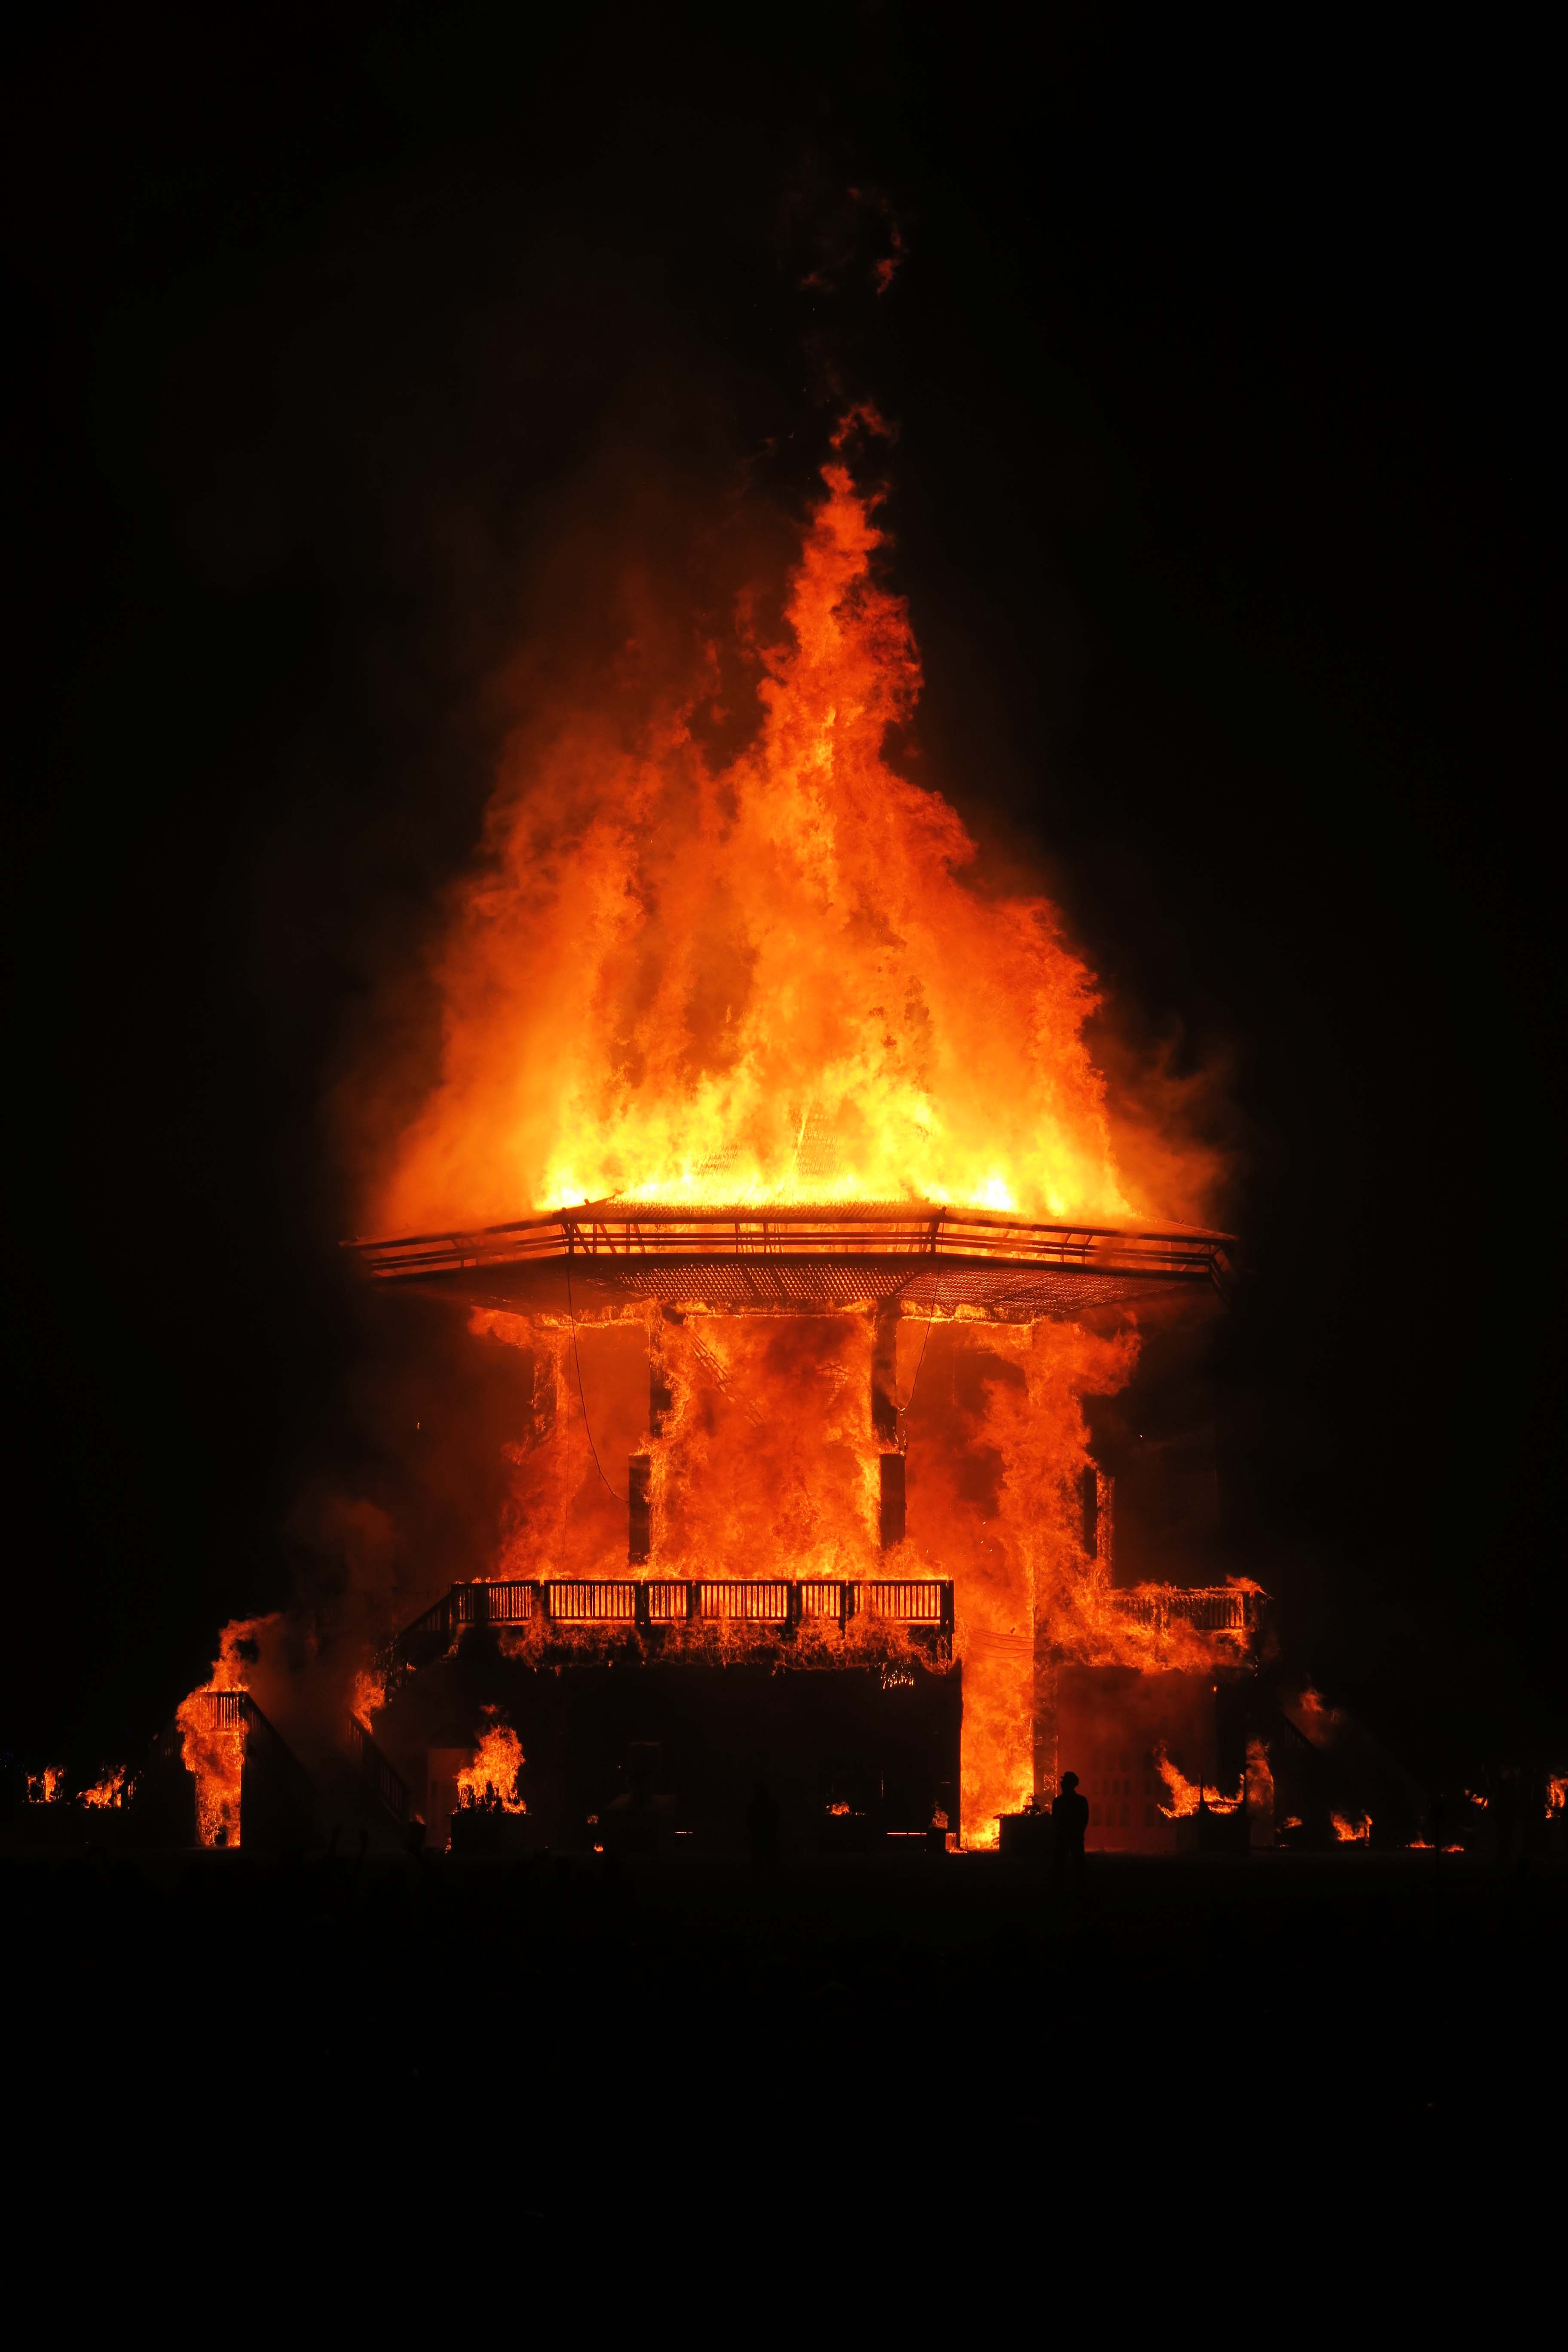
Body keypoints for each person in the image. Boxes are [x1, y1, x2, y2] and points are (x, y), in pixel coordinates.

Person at [1051, 1769, 1089, 1891]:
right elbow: (1085, 1819)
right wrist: (1079, 1833)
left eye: (1064, 1782)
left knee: (1060, 1865)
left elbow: (1055, 1820)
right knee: (1078, 1865)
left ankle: (1059, 1889)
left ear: (1068, 1784)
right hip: (1075, 1837)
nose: (1061, 1784)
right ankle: (1080, 1889)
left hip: (1064, 1837)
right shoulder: (1081, 1801)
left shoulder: (1058, 1802)